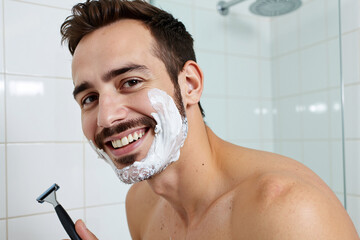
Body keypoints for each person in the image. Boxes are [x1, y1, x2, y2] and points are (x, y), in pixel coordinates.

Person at [61, 0, 359, 239]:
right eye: (89, 98)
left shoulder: (287, 211)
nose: (106, 116)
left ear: (189, 84)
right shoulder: (140, 204)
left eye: (131, 82)